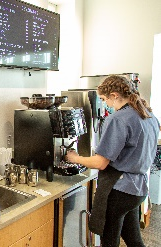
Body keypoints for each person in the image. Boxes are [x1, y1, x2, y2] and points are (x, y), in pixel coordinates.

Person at [66, 75, 160, 247]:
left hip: (119, 189)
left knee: (109, 241)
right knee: (133, 239)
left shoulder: (118, 119)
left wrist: (75, 158)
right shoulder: (149, 116)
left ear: (115, 95)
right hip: (138, 189)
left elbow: (101, 163)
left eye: (104, 99)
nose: (105, 104)